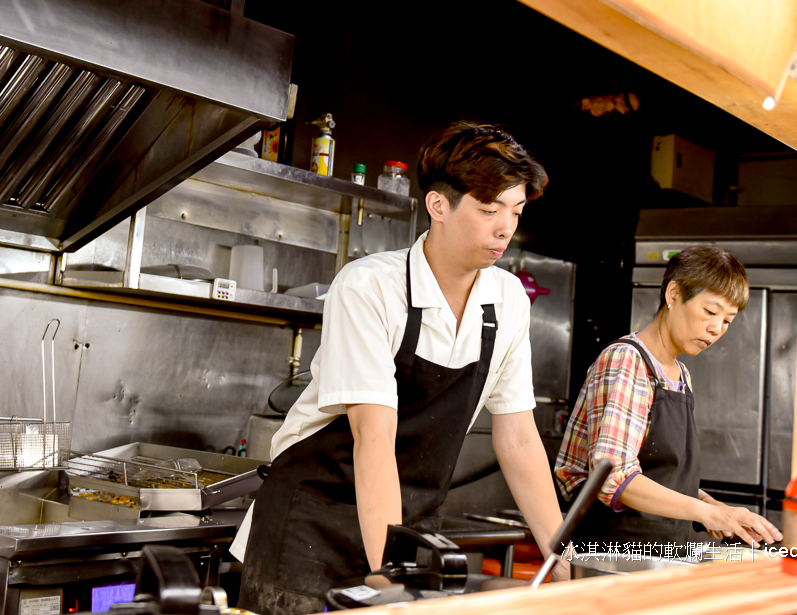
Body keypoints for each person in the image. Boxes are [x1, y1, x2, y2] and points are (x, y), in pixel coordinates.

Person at [234, 121, 568, 615]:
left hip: (408, 530)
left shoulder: (509, 301)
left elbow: (518, 437)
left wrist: (559, 555)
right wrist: (386, 574)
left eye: (515, 211)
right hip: (310, 524)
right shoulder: (370, 287)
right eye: (488, 209)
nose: (505, 227)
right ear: (439, 205)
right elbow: (374, 439)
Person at [554, 246, 781, 562]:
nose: (717, 329)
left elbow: (660, 475)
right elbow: (613, 476)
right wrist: (703, 511)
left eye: (728, 321)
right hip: (611, 554)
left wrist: (717, 511)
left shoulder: (679, 375)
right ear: (674, 293)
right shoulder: (627, 361)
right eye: (711, 312)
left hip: (661, 552)